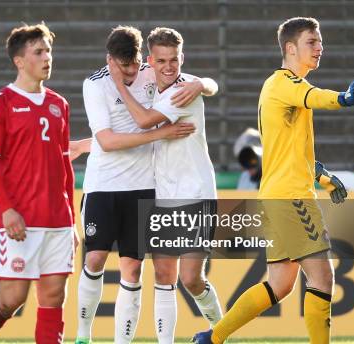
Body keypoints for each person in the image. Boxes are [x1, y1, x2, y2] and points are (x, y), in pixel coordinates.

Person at [193, 17, 354, 344]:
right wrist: (345, 98)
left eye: (320, 42)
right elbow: (318, 96)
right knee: (322, 276)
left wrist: (324, 177)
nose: (320, 47)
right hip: (291, 198)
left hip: (279, 194)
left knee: (280, 284)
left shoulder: (284, 88)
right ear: (291, 48)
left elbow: (290, 151)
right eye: (312, 42)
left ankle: (212, 337)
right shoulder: (285, 83)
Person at [75, 26, 208, 344]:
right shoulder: (94, 85)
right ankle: (83, 335)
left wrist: (202, 83)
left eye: (136, 64)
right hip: (103, 185)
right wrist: (159, 134)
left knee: (132, 269)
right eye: (125, 67)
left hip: (143, 187)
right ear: (110, 61)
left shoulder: (150, 71)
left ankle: (123, 342)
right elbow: (106, 141)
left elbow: (189, 80)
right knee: (94, 259)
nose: (133, 72)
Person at [108, 27, 222, 344]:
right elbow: (211, 85)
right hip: (164, 195)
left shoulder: (183, 90)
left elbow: (145, 121)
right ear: (150, 61)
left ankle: (223, 330)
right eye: (162, 61)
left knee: (191, 279)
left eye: (174, 59)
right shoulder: (152, 85)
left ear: (182, 58)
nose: (169, 67)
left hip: (196, 194)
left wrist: (118, 84)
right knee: (163, 275)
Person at [0, 23, 76, 344]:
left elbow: (64, 166)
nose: (47, 58)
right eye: (39, 52)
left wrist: (72, 220)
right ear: (19, 61)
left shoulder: (60, 104)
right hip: (22, 219)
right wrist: (7, 209)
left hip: (58, 218)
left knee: (54, 296)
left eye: (49, 51)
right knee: (11, 300)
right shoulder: (0, 102)